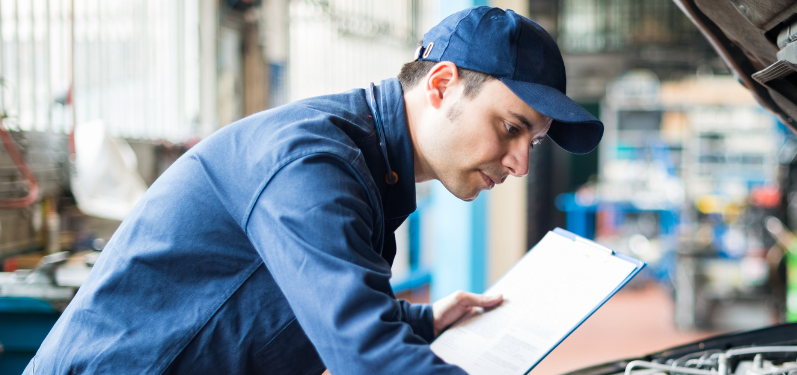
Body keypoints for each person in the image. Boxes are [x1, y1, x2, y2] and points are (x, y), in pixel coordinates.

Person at [26, 6, 602, 375]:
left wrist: (421, 321)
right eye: (511, 127)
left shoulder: (372, 167)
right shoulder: (314, 162)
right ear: (442, 85)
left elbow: (303, 293)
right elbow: (365, 358)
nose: (521, 164)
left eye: (534, 142)